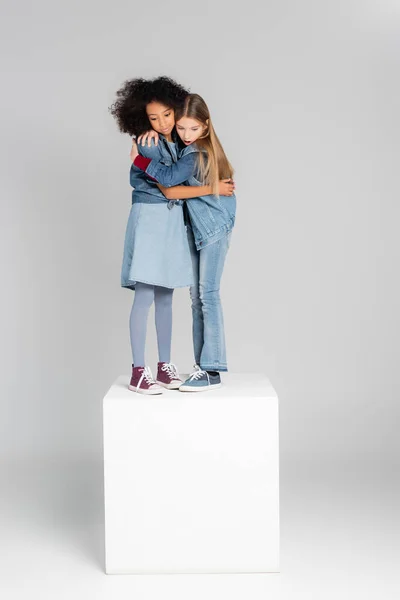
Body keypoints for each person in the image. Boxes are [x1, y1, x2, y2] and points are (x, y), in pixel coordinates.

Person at [110, 79, 235, 395]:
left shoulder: (179, 143)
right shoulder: (149, 143)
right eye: (154, 118)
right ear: (143, 120)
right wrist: (139, 157)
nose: (164, 124)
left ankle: (165, 366)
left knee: (166, 295)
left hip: (171, 219)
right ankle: (140, 369)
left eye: (168, 116)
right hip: (152, 216)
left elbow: (182, 171)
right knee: (146, 293)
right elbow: (167, 185)